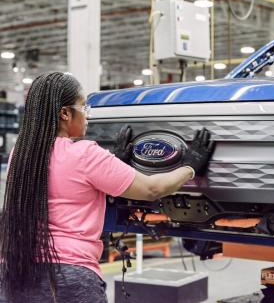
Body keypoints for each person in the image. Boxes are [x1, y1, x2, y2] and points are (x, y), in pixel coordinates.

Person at [0, 72, 213, 303]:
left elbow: (70, 186)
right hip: (69, 277)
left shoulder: (19, 156)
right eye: (84, 107)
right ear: (64, 113)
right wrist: (191, 166)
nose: (87, 116)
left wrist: (116, 164)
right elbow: (152, 189)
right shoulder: (84, 153)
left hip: (18, 272)